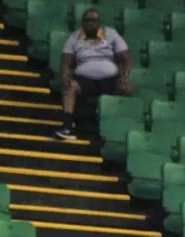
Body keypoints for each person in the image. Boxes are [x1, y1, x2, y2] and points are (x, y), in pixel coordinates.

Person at [54, 7, 132, 140]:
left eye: (93, 20)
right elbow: (66, 62)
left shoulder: (111, 34)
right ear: (83, 22)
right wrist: (65, 76)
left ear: (99, 22)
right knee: (69, 87)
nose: (90, 23)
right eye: (87, 20)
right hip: (85, 80)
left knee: (127, 88)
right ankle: (67, 127)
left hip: (110, 79)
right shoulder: (74, 37)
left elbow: (126, 59)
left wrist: (125, 76)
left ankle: (120, 131)